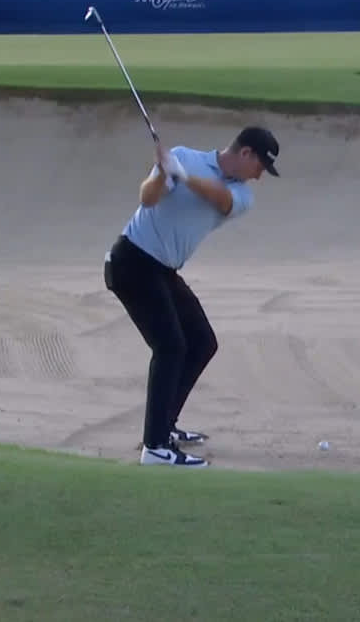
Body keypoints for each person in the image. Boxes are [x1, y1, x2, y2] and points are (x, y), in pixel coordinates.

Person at [104, 125, 282, 467]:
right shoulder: (185, 158)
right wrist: (164, 175)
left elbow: (221, 200)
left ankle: (164, 426)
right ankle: (155, 447)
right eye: (260, 167)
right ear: (246, 154)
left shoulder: (241, 195)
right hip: (132, 261)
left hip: (163, 271)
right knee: (170, 347)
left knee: (201, 342)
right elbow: (148, 198)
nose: (259, 177)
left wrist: (182, 176)